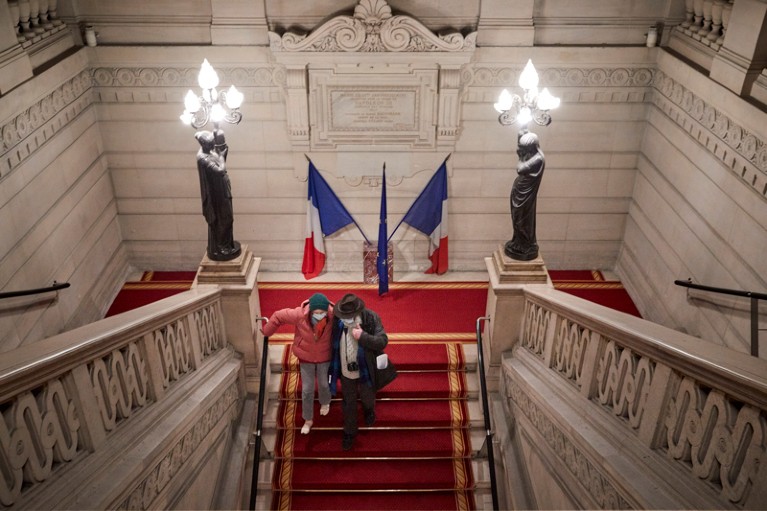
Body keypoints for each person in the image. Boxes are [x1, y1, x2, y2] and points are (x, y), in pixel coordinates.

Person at [262, 293, 334, 434]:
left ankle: (325, 402)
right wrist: (266, 332)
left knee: (324, 384)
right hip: (305, 357)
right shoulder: (299, 315)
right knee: (307, 389)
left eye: (322, 313)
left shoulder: (333, 314)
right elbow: (278, 316)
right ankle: (308, 419)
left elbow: (351, 314)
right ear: (311, 311)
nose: (319, 315)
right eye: (316, 313)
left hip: (325, 356)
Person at [329, 293, 388, 451]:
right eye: (343, 316)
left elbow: (383, 341)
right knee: (349, 404)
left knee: (368, 396)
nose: (345, 319)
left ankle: (369, 410)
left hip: (365, 370)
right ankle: (350, 432)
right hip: (345, 370)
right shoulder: (338, 321)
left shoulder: (370, 318)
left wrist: (362, 336)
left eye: (349, 316)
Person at [195, 128, 241, 261]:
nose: (213, 145)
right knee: (225, 219)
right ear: (204, 144)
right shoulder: (203, 158)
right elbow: (220, 170)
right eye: (211, 143)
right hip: (217, 195)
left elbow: (221, 161)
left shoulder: (209, 152)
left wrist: (222, 153)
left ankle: (226, 243)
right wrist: (221, 156)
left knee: (227, 218)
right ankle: (222, 246)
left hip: (222, 189)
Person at [504, 127, 545, 261]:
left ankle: (525, 244)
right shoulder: (530, 154)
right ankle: (517, 241)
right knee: (516, 218)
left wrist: (521, 155)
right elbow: (521, 150)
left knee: (522, 219)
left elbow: (520, 168)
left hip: (526, 195)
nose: (522, 151)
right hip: (519, 191)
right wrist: (521, 133)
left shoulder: (538, 158)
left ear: (531, 147)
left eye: (524, 148)